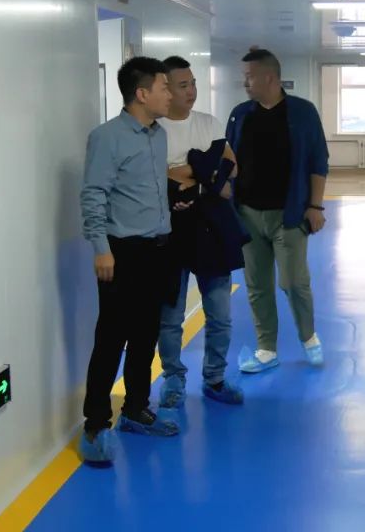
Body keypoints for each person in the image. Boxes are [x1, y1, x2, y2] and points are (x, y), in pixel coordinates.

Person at [78, 57, 184, 464]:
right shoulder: (107, 137)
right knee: (111, 340)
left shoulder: (159, 136)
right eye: (163, 87)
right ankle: (95, 424)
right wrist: (101, 248)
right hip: (122, 253)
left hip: (159, 249)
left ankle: (136, 409)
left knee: (145, 335)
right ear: (141, 94)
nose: (170, 94)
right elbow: (94, 194)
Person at [226, 48, 329, 373]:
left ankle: (308, 337)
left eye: (249, 77)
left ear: (269, 77)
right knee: (257, 285)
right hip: (247, 215)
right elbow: (229, 162)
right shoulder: (240, 114)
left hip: (290, 214)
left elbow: (318, 161)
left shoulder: (302, 112)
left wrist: (315, 205)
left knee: (293, 282)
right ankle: (266, 348)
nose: (245, 83)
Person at [155, 56, 246, 408]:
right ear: (166, 89)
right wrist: (206, 171)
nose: (191, 91)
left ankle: (215, 378)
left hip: (211, 228)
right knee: (170, 317)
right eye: (183, 85)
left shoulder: (209, 123)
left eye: (192, 83)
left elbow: (231, 167)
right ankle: (173, 379)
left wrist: (184, 171)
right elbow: (158, 177)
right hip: (170, 230)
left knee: (220, 315)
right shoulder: (155, 130)